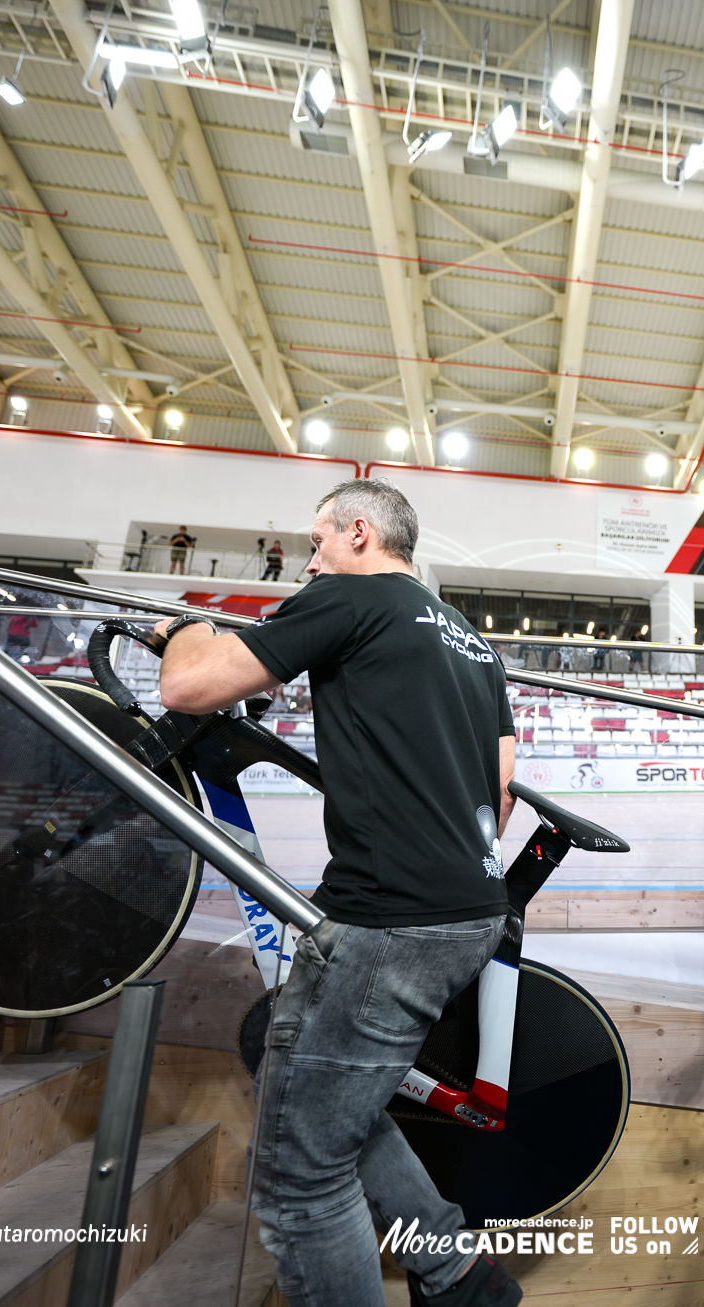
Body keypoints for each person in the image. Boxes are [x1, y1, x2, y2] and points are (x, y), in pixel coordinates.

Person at [152, 478, 520, 1307]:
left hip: (390, 917)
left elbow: (189, 686)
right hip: (471, 909)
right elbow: (499, 793)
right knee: (330, 1107)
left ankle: (453, 1272)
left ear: (360, 532)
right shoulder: (468, 638)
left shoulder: (350, 595)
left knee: (300, 1176)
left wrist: (185, 627)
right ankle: (457, 1271)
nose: (307, 560)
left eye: (315, 542)